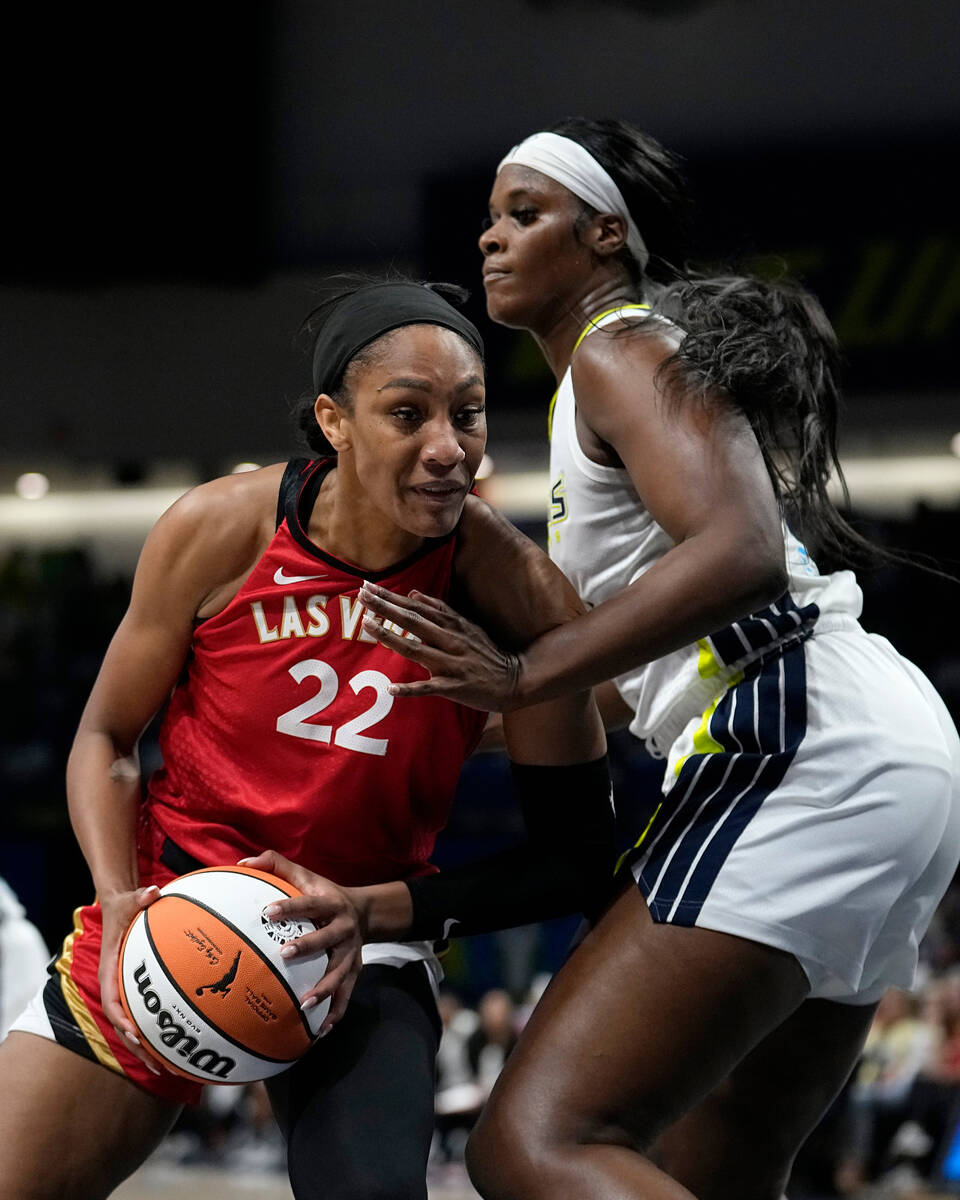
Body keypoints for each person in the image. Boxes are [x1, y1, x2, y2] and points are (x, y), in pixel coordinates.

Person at [358, 119, 960, 1200]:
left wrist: (524, 675)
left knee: (530, 1144)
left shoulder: (618, 348)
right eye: (491, 216)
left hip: (801, 742)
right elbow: (642, 680)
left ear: (603, 236)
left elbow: (739, 556)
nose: (490, 239)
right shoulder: (606, 376)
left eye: (524, 214)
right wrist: (467, 722)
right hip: (870, 752)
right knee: (715, 1170)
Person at [0, 278, 615, 1200]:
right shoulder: (221, 529)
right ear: (333, 420)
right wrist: (117, 895)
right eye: (408, 414)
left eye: (470, 415)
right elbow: (107, 738)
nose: (449, 449)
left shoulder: (502, 575)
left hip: (360, 939)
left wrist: (475, 721)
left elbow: (609, 705)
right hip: (175, 909)